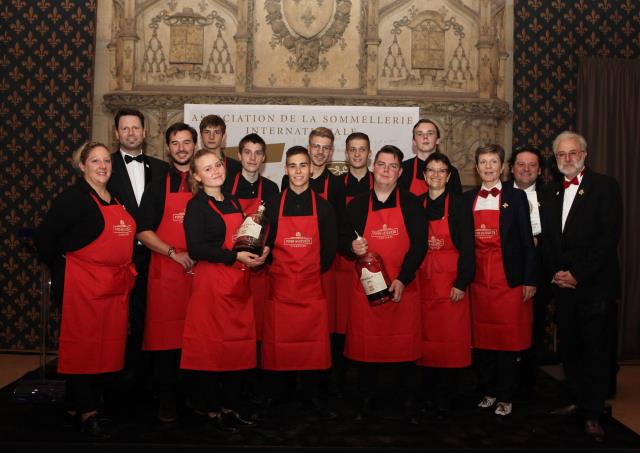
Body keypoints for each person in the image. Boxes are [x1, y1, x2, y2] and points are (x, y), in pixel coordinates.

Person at [36, 142, 137, 438]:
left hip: (111, 285)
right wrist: (62, 267)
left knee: (105, 346)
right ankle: (88, 413)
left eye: (106, 160)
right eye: (95, 161)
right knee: (84, 347)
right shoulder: (73, 198)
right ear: (81, 166)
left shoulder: (113, 197)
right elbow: (45, 238)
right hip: (81, 284)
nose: (103, 166)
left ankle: (74, 405)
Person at [541, 131, 622, 443]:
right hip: (563, 286)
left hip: (595, 286)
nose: (568, 159)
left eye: (573, 153)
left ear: (585, 154)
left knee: (597, 351)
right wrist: (557, 273)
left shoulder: (605, 187)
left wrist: (577, 274)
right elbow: (547, 240)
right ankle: (577, 399)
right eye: (561, 154)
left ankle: (593, 412)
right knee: (570, 347)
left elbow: (607, 239)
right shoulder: (549, 192)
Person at [180, 148, 269, 431]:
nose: (216, 171)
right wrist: (234, 257)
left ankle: (231, 407)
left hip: (238, 283)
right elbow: (196, 248)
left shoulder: (232, 200)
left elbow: (242, 238)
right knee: (211, 351)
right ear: (196, 175)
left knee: (237, 349)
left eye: (217, 165)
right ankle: (210, 411)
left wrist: (257, 252)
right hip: (212, 285)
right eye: (207, 169)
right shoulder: (197, 206)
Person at [340, 145, 427, 424]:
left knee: (404, 351)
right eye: (381, 164)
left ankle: (409, 403)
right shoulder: (356, 205)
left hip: (403, 285)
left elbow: (419, 246)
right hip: (367, 290)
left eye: (392, 166)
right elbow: (342, 245)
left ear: (400, 172)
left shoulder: (412, 204)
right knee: (367, 351)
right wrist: (352, 247)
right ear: (373, 167)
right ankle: (366, 401)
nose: (386, 171)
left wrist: (404, 278)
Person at [262, 146, 338, 419]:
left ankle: (310, 397)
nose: (297, 171)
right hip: (281, 286)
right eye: (292, 166)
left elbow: (330, 248)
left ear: (310, 170)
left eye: (302, 165)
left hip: (310, 287)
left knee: (311, 347)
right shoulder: (272, 204)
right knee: (279, 345)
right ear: (285, 169)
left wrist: (310, 272)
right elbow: (264, 244)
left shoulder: (324, 207)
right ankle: (279, 396)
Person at [463, 144, 536, 417]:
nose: (489, 167)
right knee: (483, 342)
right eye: (483, 162)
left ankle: (506, 395)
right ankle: (489, 390)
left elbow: (527, 243)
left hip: (509, 280)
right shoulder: (467, 198)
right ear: (477, 167)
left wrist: (530, 279)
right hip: (479, 281)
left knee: (508, 342)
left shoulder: (516, 198)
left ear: (503, 167)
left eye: (494, 162)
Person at [136, 122, 197, 423]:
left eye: (187, 142)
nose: (182, 148)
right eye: (175, 143)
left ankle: (193, 397)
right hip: (167, 272)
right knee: (165, 342)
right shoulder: (158, 185)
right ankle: (167, 400)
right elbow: (143, 231)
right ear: (168, 147)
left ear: (195, 146)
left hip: (200, 274)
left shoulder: (206, 183)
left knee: (196, 338)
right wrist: (174, 253)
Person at [107, 108, 169, 395]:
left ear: (145, 132)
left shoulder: (161, 168)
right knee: (115, 321)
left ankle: (146, 381)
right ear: (117, 133)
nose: (131, 133)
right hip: (118, 258)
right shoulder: (105, 167)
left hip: (155, 257)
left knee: (150, 319)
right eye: (125, 128)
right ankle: (116, 380)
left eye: (136, 128)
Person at [416, 152, 475, 419]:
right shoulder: (416, 204)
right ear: (424, 175)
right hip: (423, 282)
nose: (436, 175)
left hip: (451, 281)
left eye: (442, 171)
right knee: (426, 341)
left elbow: (469, 248)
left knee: (450, 342)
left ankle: (448, 398)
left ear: (449, 176)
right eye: (431, 170)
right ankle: (427, 395)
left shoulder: (459, 205)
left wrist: (462, 282)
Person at [280, 127, 346, 335]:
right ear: (308, 148)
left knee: (320, 320)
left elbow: (337, 227)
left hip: (320, 263)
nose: (319, 152)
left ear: (331, 152)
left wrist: (320, 265)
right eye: (316, 146)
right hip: (290, 262)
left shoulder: (336, 184)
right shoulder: (287, 181)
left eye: (325, 148)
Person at [227, 133, 279, 341]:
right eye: (247, 152)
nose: (252, 158)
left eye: (258, 153)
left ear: (264, 158)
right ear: (239, 155)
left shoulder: (271, 188)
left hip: (258, 266)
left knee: (256, 323)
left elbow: (274, 227)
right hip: (230, 264)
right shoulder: (225, 186)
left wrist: (269, 248)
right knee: (232, 323)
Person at [508, 145, 550, 398]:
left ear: (540, 170)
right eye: (520, 164)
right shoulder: (498, 194)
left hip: (539, 275)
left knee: (533, 330)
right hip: (504, 277)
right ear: (511, 168)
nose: (525, 169)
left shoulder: (551, 196)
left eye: (531, 165)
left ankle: (528, 384)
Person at [400, 119, 462, 196]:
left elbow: (457, 204)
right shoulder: (402, 169)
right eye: (419, 134)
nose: (425, 137)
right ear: (414, 142)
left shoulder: (451, 171)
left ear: (438, 140)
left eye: (430, 133)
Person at [199, 114, 241, 183]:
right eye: (207, 132)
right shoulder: (193, 165)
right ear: (201, 136)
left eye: (216, 132)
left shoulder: (236, 167)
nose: (211, 137)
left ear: (223, 136)